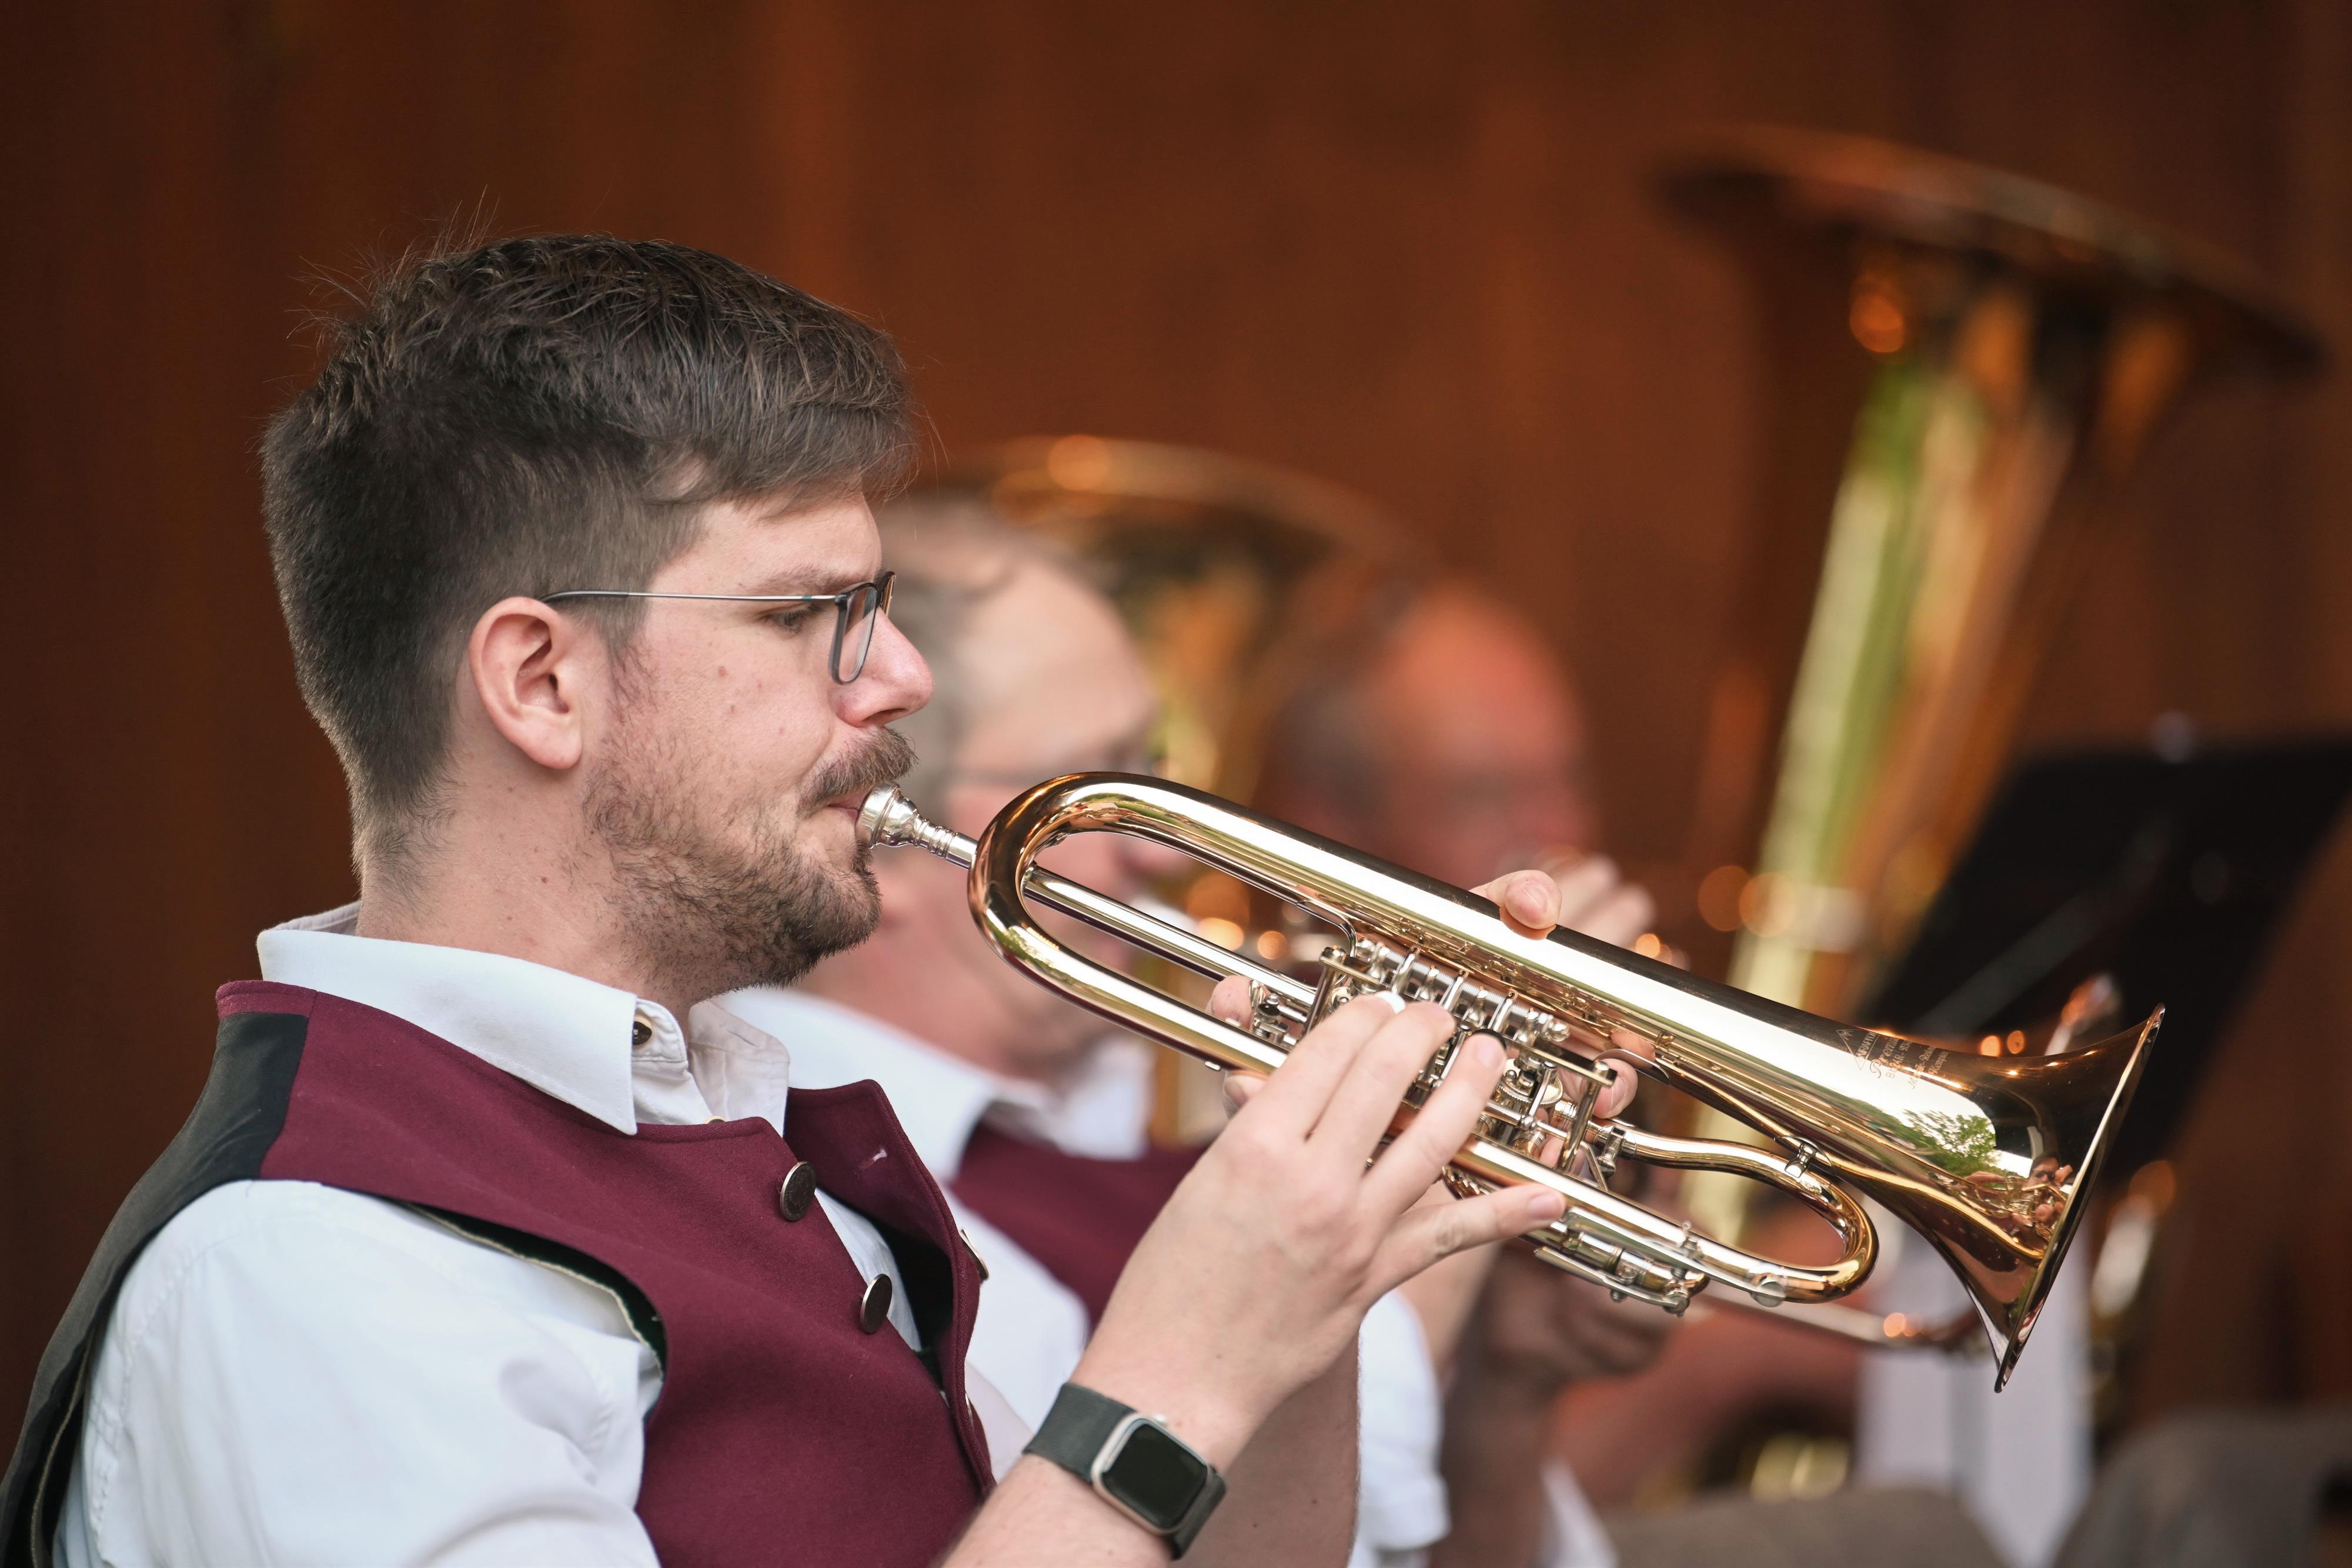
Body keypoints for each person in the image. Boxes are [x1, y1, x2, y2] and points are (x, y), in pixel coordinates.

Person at [0, 236, 1618, 1568]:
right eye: (809, 616)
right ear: (542, 681)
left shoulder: (760, 1115)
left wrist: (1317, 1261)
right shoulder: (314, 1271)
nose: (901, 680)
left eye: (885, 609)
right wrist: (1175, 1367)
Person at [731, 504, 1666, 1568]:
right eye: (1093, 784)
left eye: (1154, 762)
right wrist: (1448, 1168)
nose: (1162, 855)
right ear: (879, 828)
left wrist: (1509, 1383)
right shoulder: (856, 1206)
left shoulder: (1133, 1106)